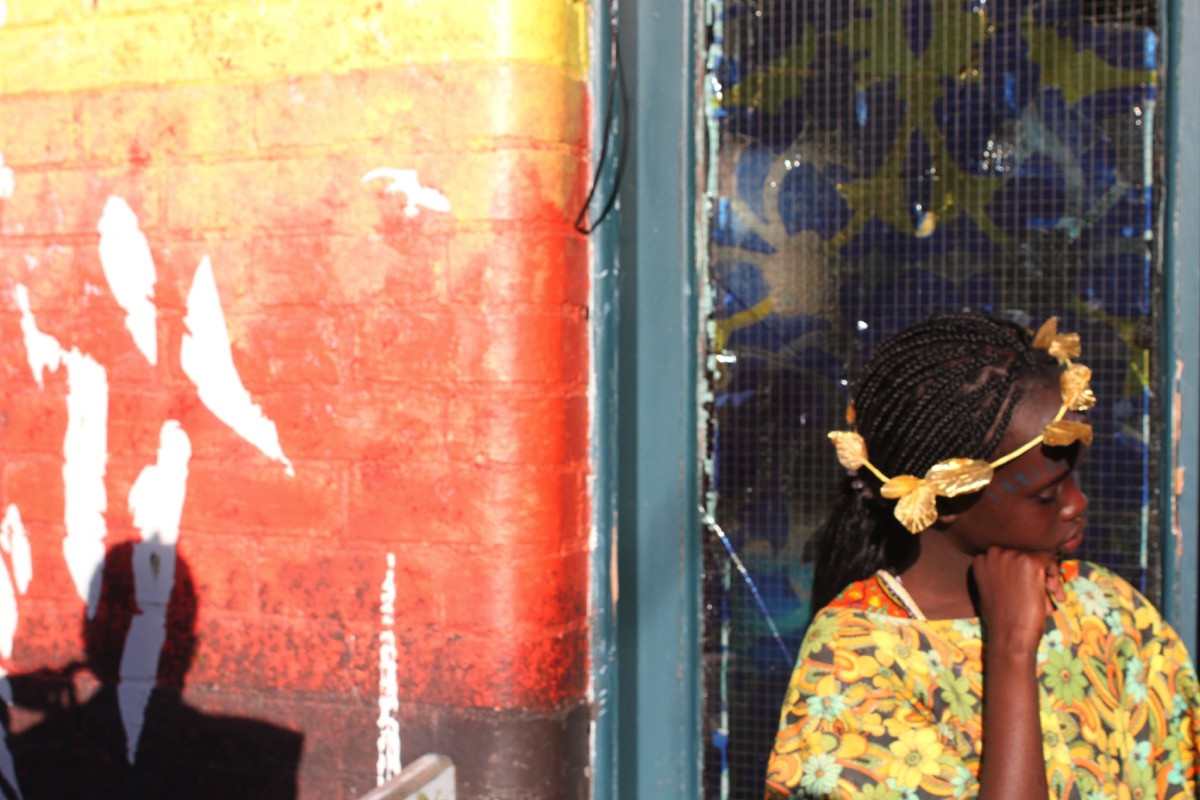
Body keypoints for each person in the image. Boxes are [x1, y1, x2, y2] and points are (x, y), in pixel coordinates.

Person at [764, 312, 1199, 799]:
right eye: (1046, 495)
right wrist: (1012, 648)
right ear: (947, 498)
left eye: (1075, 478)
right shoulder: (856, 656)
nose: (1077, 504)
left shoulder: (1105, 609)